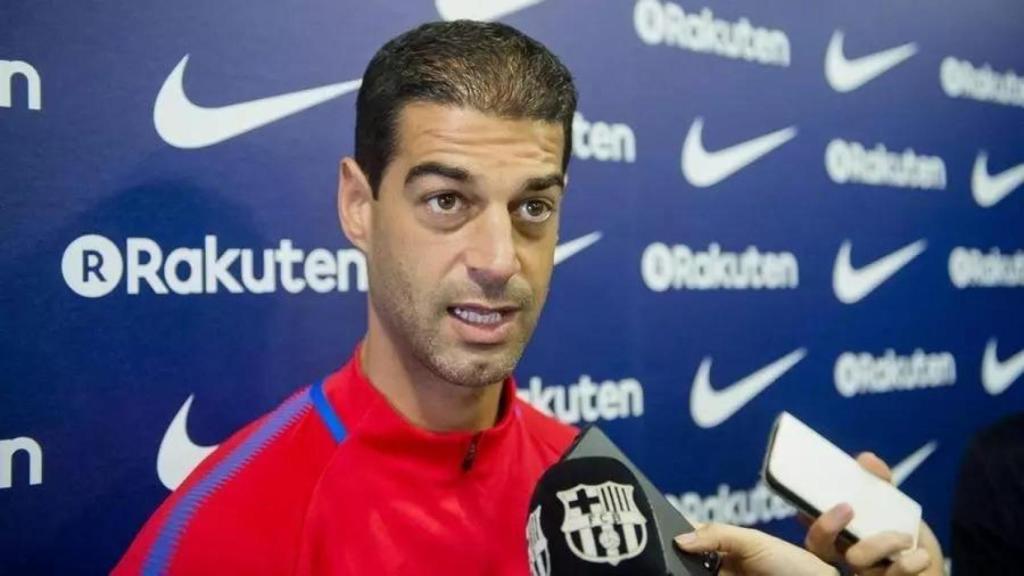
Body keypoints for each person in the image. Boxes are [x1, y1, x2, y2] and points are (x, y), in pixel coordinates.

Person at [114, 20, 942, 575]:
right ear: (359, 207)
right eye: (447, 201)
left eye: (533, 208)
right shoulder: (222, 528)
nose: (500, 260)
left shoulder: (601, 491)